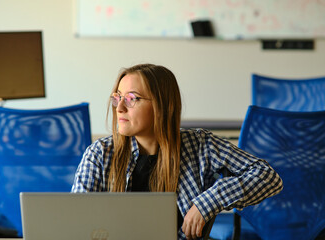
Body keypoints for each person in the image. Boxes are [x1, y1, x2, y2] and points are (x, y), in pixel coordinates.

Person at [71, 63, 283, 240]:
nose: (119, 108)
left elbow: (267, 176)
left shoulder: (200, 145)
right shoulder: (100, 153)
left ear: (163, 106)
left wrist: (208, 202)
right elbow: (76, 222)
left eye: (131, 98)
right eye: (118, 97)